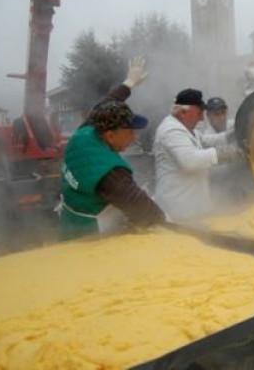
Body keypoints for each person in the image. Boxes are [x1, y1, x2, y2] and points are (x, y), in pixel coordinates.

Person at [59, 57, 165, 240]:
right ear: (110, 135)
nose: (135, 136)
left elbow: (105, 104)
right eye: (130, 132)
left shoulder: (86, 132)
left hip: (69, 220)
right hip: (91, 238)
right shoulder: (109, 172)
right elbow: (147, 213)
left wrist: (129, 83)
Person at [153, 88, 242, 220]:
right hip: (179, 208)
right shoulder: (171, 131)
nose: (201, 118)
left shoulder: (186, 128)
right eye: (199, 112)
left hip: (193, 207)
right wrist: (229, 153)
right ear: (183, 112)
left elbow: (206, 141)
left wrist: (236, 133)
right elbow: (190, 161)